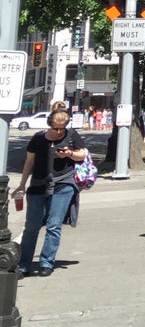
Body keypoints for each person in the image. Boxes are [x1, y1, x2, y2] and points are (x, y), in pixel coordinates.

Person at [13, 105, 87, 277]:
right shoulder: (38, 138)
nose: (59, 132)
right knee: (32, 226)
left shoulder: (71, 135)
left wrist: (69, 154)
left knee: (54, 226)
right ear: (49, 124)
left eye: (62, 128)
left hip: (63, 185)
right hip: (38, 186)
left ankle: (47, 262)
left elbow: (82, 154)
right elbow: (29, 162)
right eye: (56, 128)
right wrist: (22, 185)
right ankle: (24, 265)